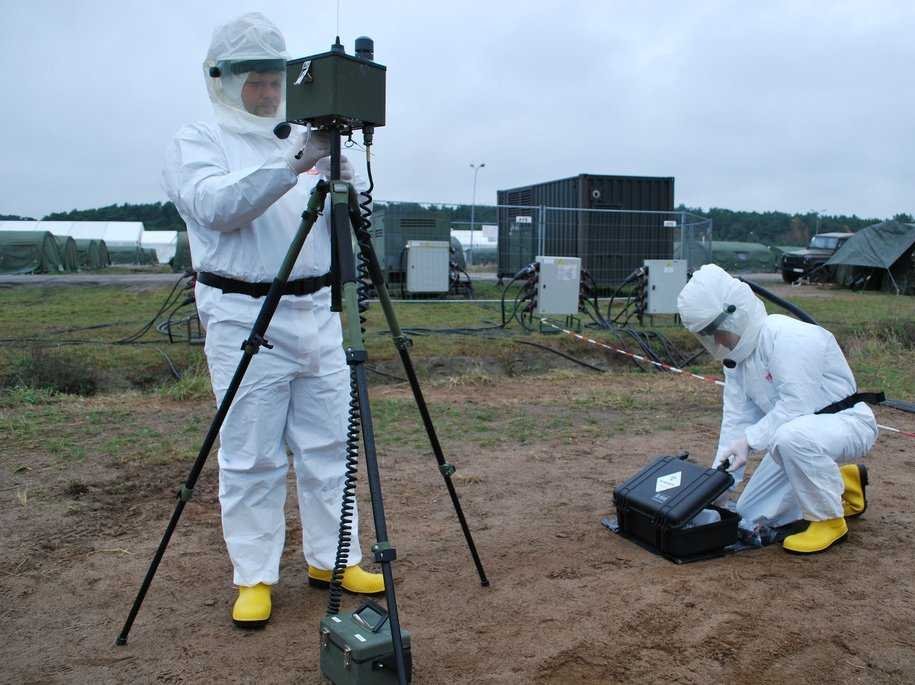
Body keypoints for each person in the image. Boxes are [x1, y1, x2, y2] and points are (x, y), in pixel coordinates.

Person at [162, 12, 382, 628]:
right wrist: (291, 164)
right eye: (253, 81)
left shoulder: (305, 139)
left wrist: (343, 176)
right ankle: (254, 576)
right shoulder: (199, 141)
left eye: (272, 80)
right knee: (252, 452)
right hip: (244, 313)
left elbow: (342, 221)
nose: (265, 92)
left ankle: (334, 559)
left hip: (317, 311)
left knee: (330, 445)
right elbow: (216, 206)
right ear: (225, 81)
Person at [677, 264, 876, 554]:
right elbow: (736, 421)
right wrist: (719, 484)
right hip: (798, 439)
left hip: (845, 425)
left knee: (789, 437)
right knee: (749, 515)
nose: (717, 339)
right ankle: (845, 483)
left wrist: (750, 440)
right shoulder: (737, 361)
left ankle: (829, 521)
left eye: (716, 329)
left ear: (736, 313)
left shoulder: (789, 337)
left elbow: (797, 406)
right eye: (707, 333)